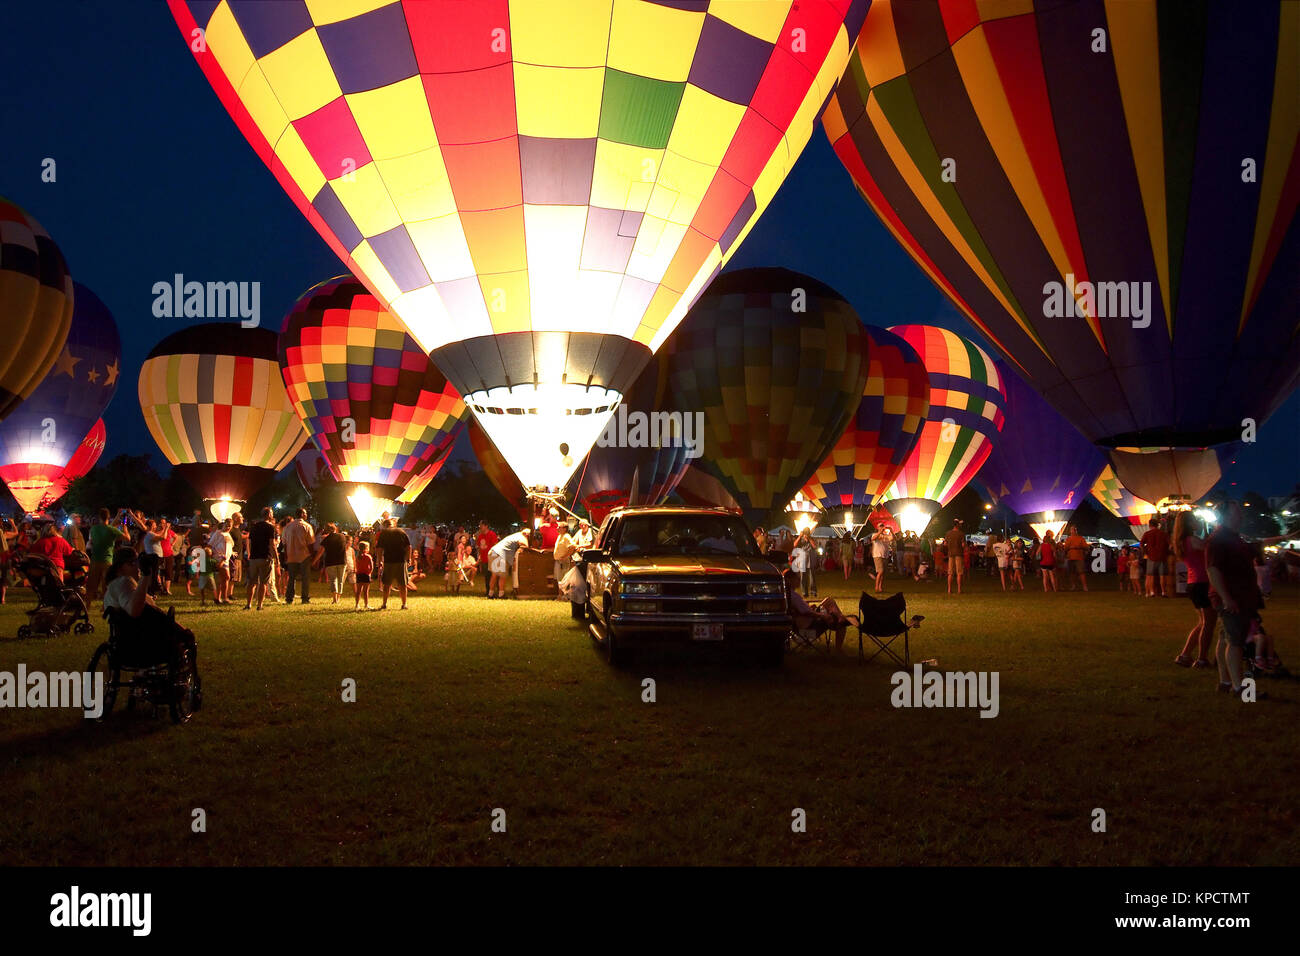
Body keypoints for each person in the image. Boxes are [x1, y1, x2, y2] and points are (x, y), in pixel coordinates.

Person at [102, 547, 198, 674]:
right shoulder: (123, 582)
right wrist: (146, 576)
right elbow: (134, 611)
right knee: (187, 638)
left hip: (129, 643)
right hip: (143, 645)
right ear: (119, 567)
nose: (137, 567)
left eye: (138, 562)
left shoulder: (116, 586)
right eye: (132, 563)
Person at [1206, 502, 1265, 699]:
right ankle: (1240, 688)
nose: (1241, 515)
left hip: (1238, 596)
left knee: (1226, 638)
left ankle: (1224, 682)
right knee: (1237, 642)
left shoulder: (1232, 538)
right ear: (1226, 516)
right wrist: (1226, 598)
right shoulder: (1218, 540)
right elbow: (1213, 570)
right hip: (1232, 597)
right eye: (1236, 512)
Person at [1171, 510, 1214, 669]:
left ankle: (1185, 655)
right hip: (1202, 582)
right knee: (1209, 623)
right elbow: (1209, 547)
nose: (1197, 522)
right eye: (1195, 520)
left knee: (1202, 622)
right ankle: (1202, 658)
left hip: (1193, 583)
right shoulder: (1192, 540)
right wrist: (1208, 530)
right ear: (1189, 523)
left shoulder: (1182, 541)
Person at [784, 569, 857, 654]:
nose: (799, 580)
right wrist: (822, 616)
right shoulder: (793, 596)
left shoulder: (787, 594)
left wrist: (809, 606)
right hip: (809, 626)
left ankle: (840, 616)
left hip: (804, 621)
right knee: (841, 623)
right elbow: (806, 613)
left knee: (828, 601)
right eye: (797, 578)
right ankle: (838, 648)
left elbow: (801, 610)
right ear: (790, 580)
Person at [85, 508, 129, 600]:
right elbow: (127, 538)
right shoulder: (111, 529)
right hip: (107, 561)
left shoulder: (94, 529)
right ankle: (105, 606)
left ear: (99, 517)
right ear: (108, 517)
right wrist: (125, 529)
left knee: (91, 585)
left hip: (95, 560)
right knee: (106, 585)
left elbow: (98, 538)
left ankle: (86, 607)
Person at [244, 507, 278, 611]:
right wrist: (276, 558)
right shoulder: (270, 527)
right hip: (265, 557)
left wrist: (249, 554)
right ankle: (259, 605)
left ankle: (249, 604)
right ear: (269, 515)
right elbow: (272, 544)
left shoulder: (254, 527)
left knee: (252, 582)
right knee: (263, 582)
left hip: (254, 557)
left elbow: (248, 541)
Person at [374, 517, 411, 610]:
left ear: (385, 526)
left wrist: (379, 560)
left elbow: (379, 549)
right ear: (393, 524)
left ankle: (384, 604)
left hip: (389, 561)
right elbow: (409, 546)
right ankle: (404, 604)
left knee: (387, 584)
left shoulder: (384, 533)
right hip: (401, 561)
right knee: (402, 584)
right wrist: (408, 558)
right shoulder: (401, 532)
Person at [282, 508, 315, 605]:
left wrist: (286, 555)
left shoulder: (288, 527)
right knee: (305, 577)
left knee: (291, 577)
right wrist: (311, 554)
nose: (306, 515)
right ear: (302, 514)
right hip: (304, 555)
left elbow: (284, 543)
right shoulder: (307, 526)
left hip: (291, 555)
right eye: (305, 513)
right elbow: (310, 542)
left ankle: (289, 598)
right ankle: (305, 598)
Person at [488, 528, 531, 599]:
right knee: (502, 575)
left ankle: (490, 594)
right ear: (527, 534)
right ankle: (501, 595)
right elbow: (525, 545)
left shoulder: (515, 535)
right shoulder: (522, 537)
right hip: (501, 554)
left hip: (494, 551)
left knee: (494, 575)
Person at [316, 522, 348, 604]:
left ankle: (334, 599)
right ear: (335, 529)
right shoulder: (342, 536)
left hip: (331, 562)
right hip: (342, 561)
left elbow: (320, 552)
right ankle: (338, 598)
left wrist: (314, 561)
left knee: (333, 580)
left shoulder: (326, 539)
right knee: (340, 581)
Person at [1140, 517, 1169, 597]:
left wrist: (1145, 552)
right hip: (1162, 557)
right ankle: (1163, 592)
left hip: (1151, 557)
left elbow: (1141, 544)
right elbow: (1170, 545)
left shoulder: (1147, 534)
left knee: (1151, 575)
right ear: (1158, 525)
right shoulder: (1163, 534)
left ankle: (1152, 592)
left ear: (1150, 525)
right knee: (1162, 575)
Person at [207, 519, 234, 605]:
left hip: (226, 559)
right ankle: (223, 597)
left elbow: (228, 545)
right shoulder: (218, 533)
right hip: (219, 558)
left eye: (230, 526)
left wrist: (231, 552)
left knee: (224, 579)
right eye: (226, 525)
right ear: (223, 525)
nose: (228, 527)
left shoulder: (228, 534)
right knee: (226, 577)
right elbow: (210, 545)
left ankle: (218, 598)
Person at [1063, 525, 1090, 592]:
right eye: (1071, 530)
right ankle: (1073, 586)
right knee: (1072, 573)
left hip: (1079, 557)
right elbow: (1065, 548)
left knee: (1081, 572)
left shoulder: (1080, 538)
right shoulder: (1068, 539)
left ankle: (1084, 586)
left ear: (1076, 531)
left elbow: (1086, 547)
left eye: (1074, 530)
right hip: (1071, 557)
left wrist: (1078, 547)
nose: (1072, 531)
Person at [475, 521, 498, 597]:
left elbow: (495, 546)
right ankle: (488, 591)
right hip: (484, 558)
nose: (480, 527)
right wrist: (479, 556)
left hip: (491, 558)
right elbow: (478, 546)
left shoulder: (492, 534)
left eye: (481, 525)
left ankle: (493, 591)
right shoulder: (480, 536)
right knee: (487, 576)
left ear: (486, 526)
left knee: (493, 576)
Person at [944, 519, 965, 595]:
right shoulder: (961, 534)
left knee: (950, 572)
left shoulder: (948, 533)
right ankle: (959, 590)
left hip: (950, 554)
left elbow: (945, 544)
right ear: (958, 525)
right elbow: (963, 545)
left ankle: (949, 590)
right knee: (959, 572)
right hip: (959, 554)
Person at [354, 542, 373, 610]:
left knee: (358, 591)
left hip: (359, 574)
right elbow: (371, 567)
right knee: (366, 591)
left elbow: (356, 565)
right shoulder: (368, 556)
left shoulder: (358, 556)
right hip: (366, 574)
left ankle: (357, 604)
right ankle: (366, 604)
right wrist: (370, 573)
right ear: (366, 548)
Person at [870, 527, 889, 592]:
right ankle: (876, 587)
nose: (882, 527)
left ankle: (880, 587)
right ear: (878, 528)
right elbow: (873, 538)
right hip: (877, 555)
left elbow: (894, 538)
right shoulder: (875, 534)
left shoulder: (886, 536)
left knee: (882, 573)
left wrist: (891, 531)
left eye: (883, 526)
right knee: (880, 571)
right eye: (880, 526)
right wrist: (880, 532)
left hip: (885, 555)